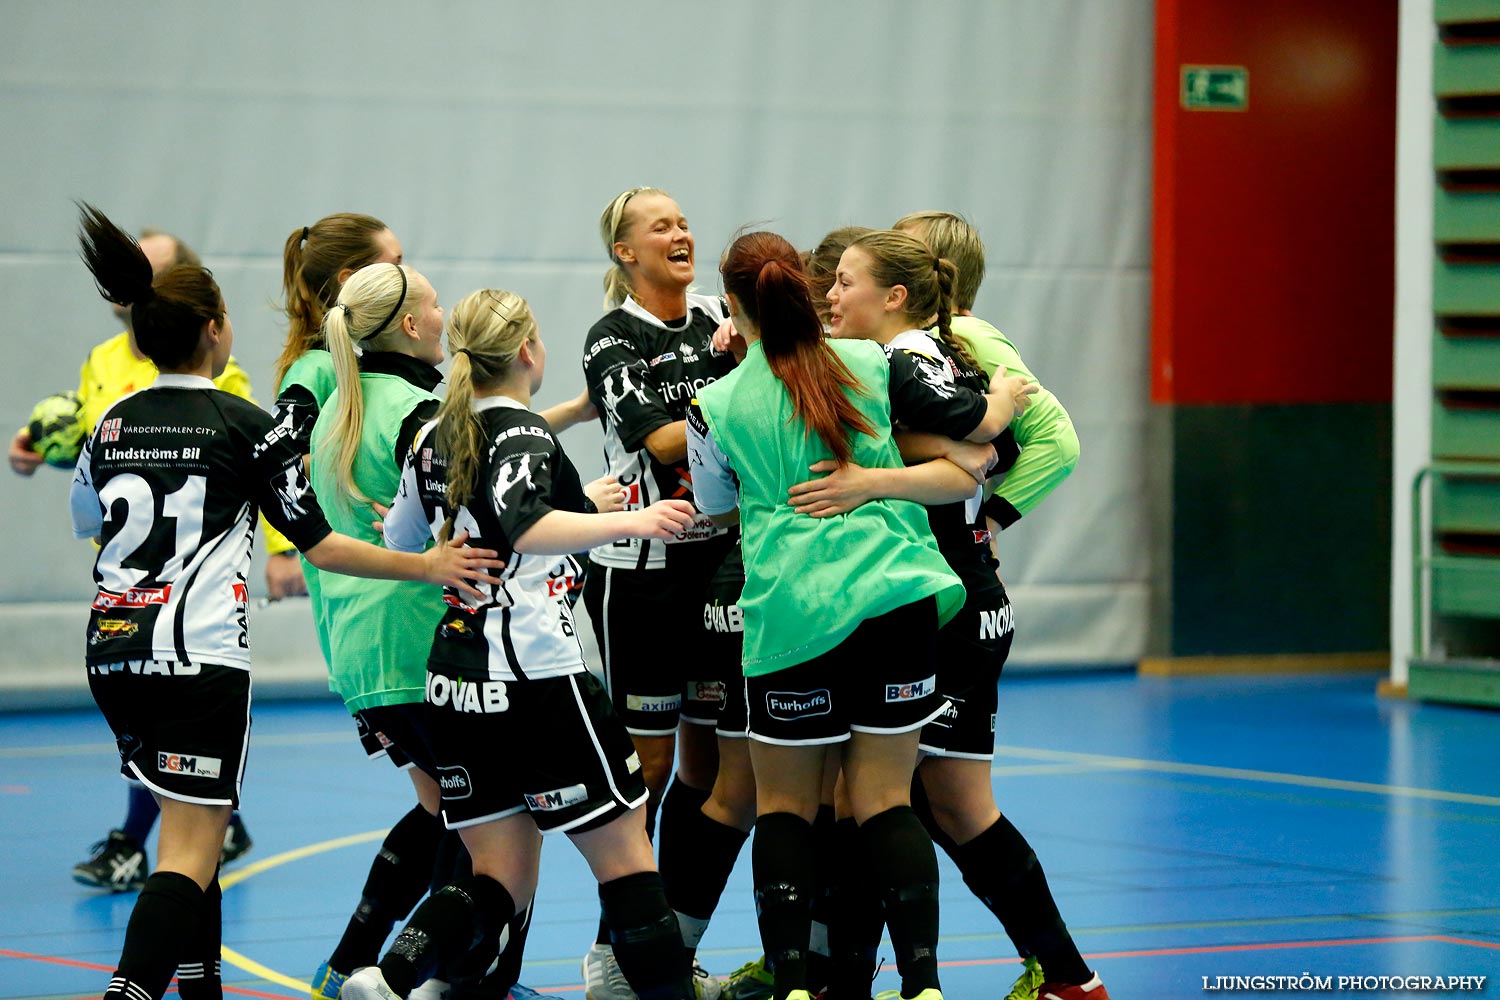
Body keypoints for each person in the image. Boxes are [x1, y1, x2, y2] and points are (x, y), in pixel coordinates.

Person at [70, 204, 503, 1000]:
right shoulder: (256, 417)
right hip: (214, 646)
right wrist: (426, 555)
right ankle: (133, 991)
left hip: (111, 642)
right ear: (213, 329)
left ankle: (229, 984)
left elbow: (88, 523)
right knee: (194, 848)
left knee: (189, 827)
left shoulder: (111, 421)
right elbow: (321, 539)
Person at [687, 231, 1033, 1000]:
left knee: (782, 806)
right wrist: (990, 421)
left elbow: (712, 507)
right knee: (884, 800)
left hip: (793, 614)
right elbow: (968, 448)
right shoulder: (874, 364)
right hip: (897, 600)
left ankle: (796, 984)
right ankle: (924, 984)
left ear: (735, 309)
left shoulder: (714, 403)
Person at [342, 288, 700, 1000]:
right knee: (628, 858)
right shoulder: (524, 436)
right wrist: (636, 521)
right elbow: (526, 526)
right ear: (530, 351)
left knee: (496, 876)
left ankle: (389, 976)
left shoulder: (435, 434)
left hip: (455, 680)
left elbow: (403, 539)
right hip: (536, 675)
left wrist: (571, 511)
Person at [887, 212, 1101, 1000]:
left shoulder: (970, 341)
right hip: (946, 598)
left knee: (887, 796)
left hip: (956, 601)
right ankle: (1067, 978)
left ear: (928, 277)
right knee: (941, 800)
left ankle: (904, 980)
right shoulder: (921, 352)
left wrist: (991, 518)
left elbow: (1054, 440)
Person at [8, 224, 261, 892]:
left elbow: (255, 471)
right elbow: (97, 442)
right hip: (126, 578)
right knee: (161, 735)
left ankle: (138, 840)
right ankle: (195, 825)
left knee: (168, 713)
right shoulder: (105, 365)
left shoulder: (223, 387)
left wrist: (291, 551)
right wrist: (43, 444)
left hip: (186, 592)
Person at [580, 186, 737, 998]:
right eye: (660, 227)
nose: (680, 233)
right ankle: (615, 954)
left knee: (707, 767)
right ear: (625, 252)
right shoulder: (611, 338)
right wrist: (741, 387)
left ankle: (669, 940)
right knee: (647, 765)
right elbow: (664, 437)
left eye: (683, 221)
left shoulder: (718, 315)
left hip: (719, 567)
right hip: (641, 576)